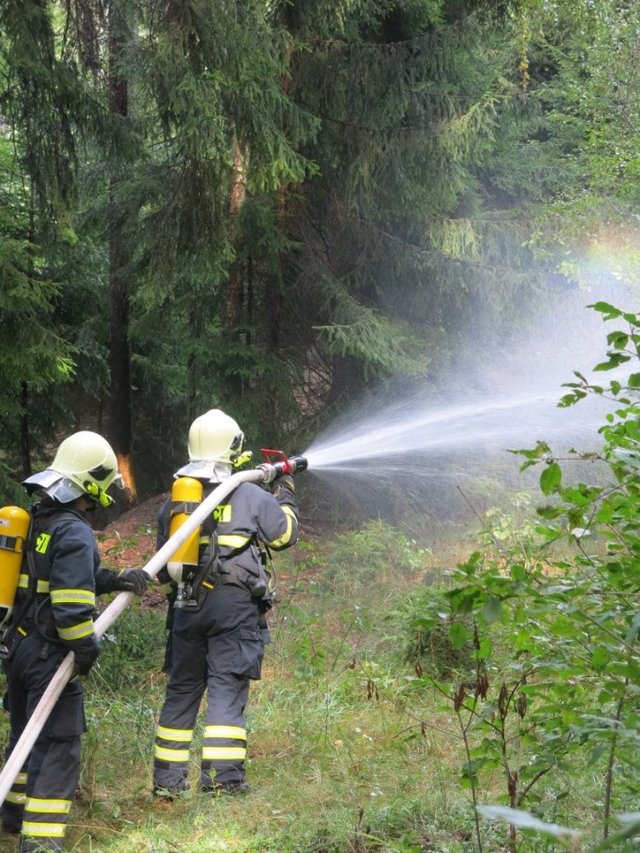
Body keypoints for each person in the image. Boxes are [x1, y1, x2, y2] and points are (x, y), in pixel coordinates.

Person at [0, 431, 149, 852]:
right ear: (94, 483)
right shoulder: (76, 532)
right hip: (50, 652)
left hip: (18, 647)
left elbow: (58, 581)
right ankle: (42, 841)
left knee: (25, 734)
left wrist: (117, 579)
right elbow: (68, 605)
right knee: (59, 744)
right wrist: (85, 647)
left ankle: (13, 816)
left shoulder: (38, 521)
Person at [152, 408, 299, 797]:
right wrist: (286, 495)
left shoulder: (174, 503)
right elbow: (284, 536)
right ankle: (222, 783)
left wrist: (183, 601)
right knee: (226, 689)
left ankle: (167, 784)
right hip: (234, 610)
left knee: (182, 691)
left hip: (185, 609)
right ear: (234, 448)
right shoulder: (249, 492)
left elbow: (163, 570)